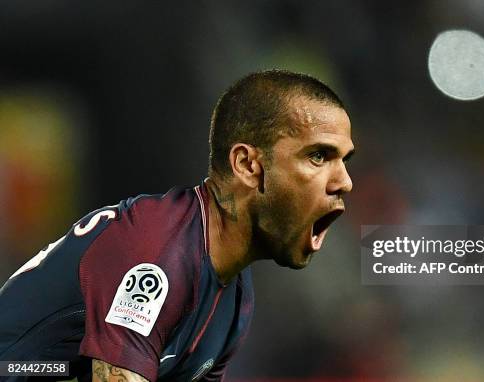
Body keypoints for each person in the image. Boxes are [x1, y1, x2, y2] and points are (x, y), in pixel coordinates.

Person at [0, 69, 354, 381]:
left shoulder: (235, 294)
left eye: (344, 159)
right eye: (318, 155)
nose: (345, 181)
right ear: (248, 165)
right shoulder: (157, 254)